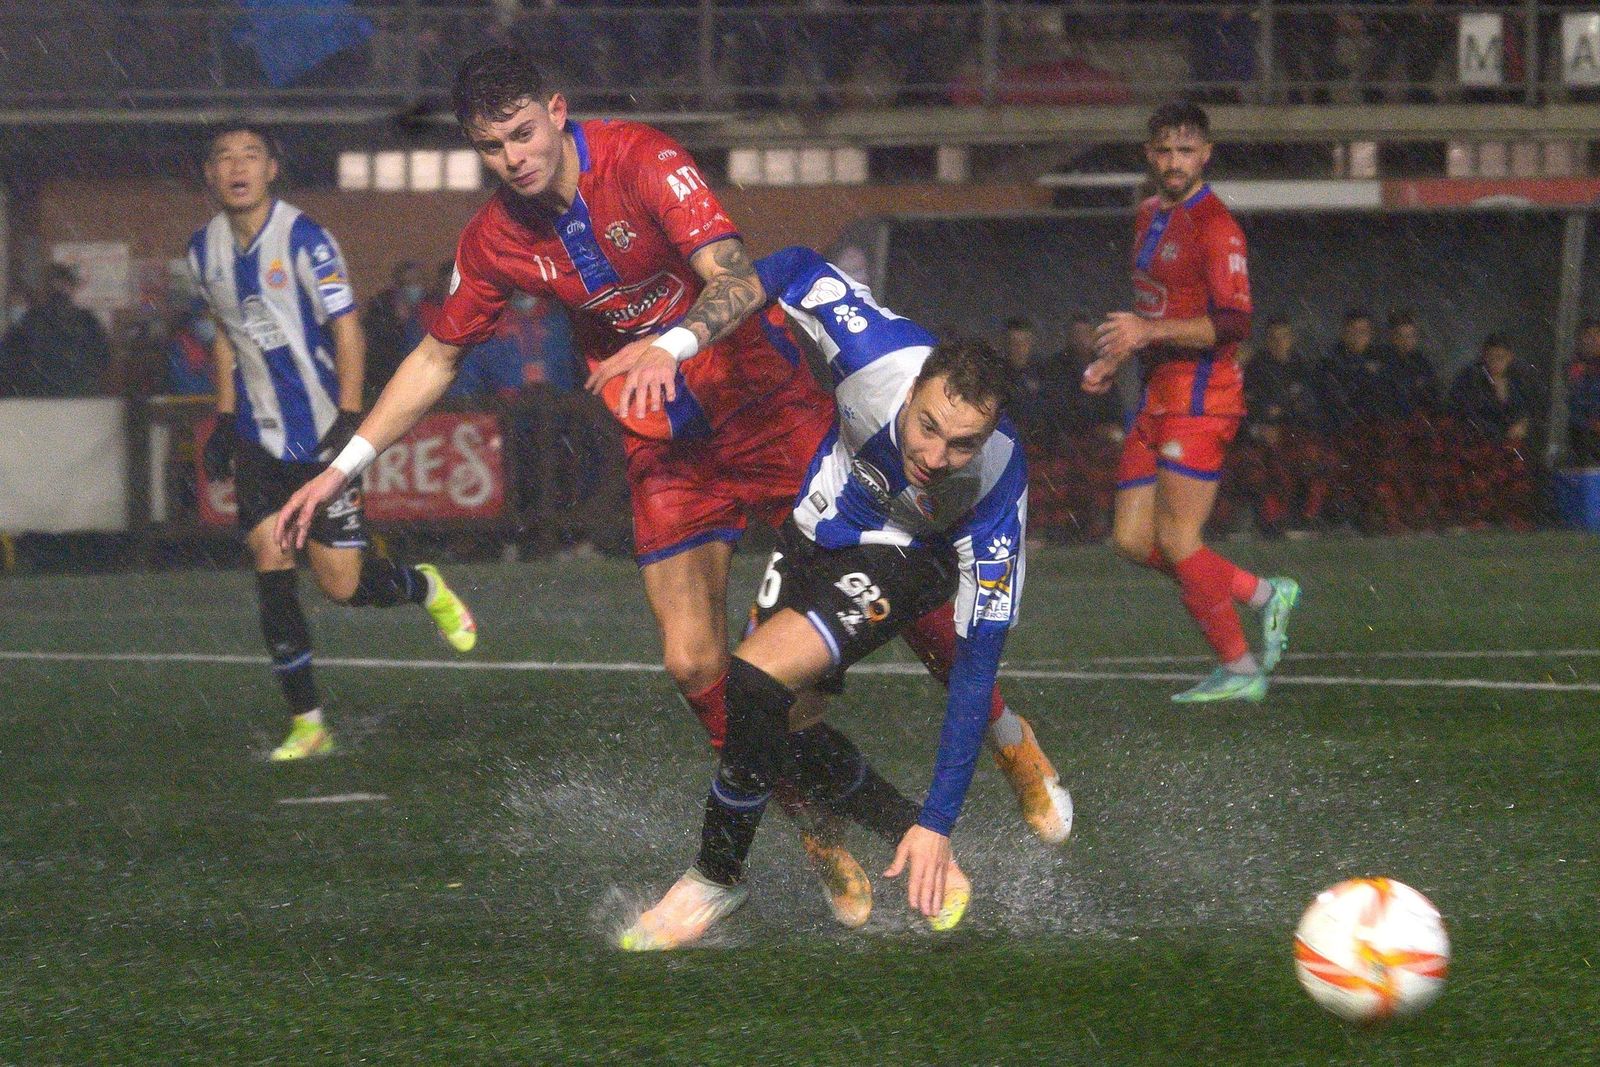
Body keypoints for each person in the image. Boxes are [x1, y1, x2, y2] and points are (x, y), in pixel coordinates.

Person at [274, 47, 1070, 922]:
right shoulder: (495, 238)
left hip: (767, 410)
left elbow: (736, 275)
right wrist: (340, 471)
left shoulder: (644, 160)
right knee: (696, 662)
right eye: (492, 146)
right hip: (665, 448)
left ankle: (1009, 739)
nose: (515, 158)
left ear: (557, 109)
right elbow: (436, 355)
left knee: (906, 597)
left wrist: (670, 344)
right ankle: (813, 819)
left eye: (525, 133)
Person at [620, 248, 1028, 951]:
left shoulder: (997, 500)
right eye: (927, 425)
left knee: (752, 676)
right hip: (819, 522)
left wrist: (942, 818)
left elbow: (974, 674)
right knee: (778, 721)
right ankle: (893, 825)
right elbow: (789, 265)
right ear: (911, 388)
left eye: (963, 444)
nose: (935, 456)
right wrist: (674, 343)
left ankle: (717, 873)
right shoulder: (873, 349)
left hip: (909, 556)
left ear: (989, 435)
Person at [189, 123, 478, 762]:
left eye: (251, 155)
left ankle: (423, 586)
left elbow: (348, 331)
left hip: (322, 437)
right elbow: (224, 334)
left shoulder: (306, 239)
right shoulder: (202, 249)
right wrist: (224, 416)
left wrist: (349, 420)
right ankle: (308, 724)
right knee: (270, 564)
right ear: (210, 174)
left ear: (272, 169)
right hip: (259, 442)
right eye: (224, 157)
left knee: (343, 587)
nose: (238, 166)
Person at [1084, 102, 1299, 704]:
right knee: (1130, 540)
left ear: (1206, 154)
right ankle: (1260, 592)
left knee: (1179, 538)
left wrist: (1148, 335)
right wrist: (1116, 355)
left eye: (1185, 151)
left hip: (1204, 400)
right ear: (1149, 155)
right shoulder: (1148, 215)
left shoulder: (1217, 227)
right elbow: (1152, 312)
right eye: (1163, 150)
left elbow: (1235, 322)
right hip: (1158, 399)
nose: (1173, 162)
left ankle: (1239, 667)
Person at [0, 263, 111, 398]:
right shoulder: (88, 321)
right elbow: (104, 357)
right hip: (78, 396)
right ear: (72, 288)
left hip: (39, 397)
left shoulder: (31, 320)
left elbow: (9, 358)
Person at [1564, 318, 1600, 464]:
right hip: (1584, 436)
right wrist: (1592, 422)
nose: (1593, 339)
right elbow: (1576, 402)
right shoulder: (1575, 367)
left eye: (1597, 334)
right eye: (1588, 335)